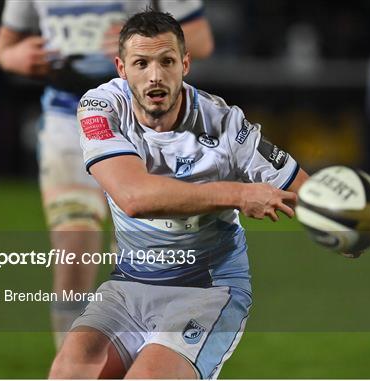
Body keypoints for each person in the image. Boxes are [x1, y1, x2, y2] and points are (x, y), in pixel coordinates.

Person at [49, 10, 308, 379]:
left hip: (206, 290)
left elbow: (302, 189)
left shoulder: (226, 126)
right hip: (130, 284)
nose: (155, 75)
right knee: (68, 371)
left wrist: (344, 218)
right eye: (141, 63)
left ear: (185, 64)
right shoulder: (101, 107)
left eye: (166, 61)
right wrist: (238, 194)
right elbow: (133, 197)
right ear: (121, 68)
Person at [0, 0, 214, 348]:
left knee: (145, 264)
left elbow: (200, 40)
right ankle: (75, 368)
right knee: (73, 252)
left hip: (143, 124)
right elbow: (5, 46)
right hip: (68, 121)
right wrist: (15, 58)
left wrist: (137, 44)